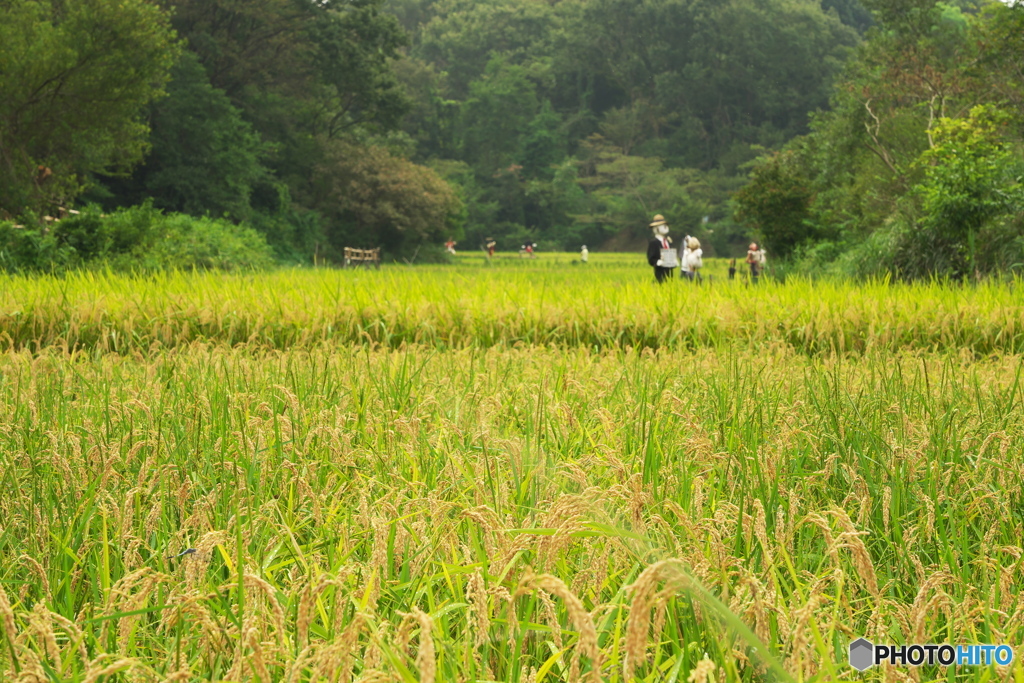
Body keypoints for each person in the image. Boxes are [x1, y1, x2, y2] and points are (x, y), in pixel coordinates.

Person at [646, 214, 676, 283]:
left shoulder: (668, 241)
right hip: (660, 272)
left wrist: (673, 261)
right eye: (662, 225)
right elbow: (651, 258)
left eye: (666, 225)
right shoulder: (653, 243)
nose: (665, 227)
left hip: (670, 272)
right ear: (656, 228)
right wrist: (658, 262)